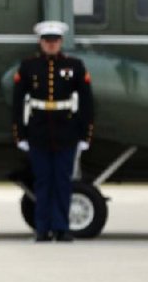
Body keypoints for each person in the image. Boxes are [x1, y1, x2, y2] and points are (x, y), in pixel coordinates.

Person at [12, 20, 94, 242]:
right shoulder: (28, 66)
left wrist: (85, 135)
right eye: (47, 41)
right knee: (42, 182)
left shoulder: (75, 65)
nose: (50, 44)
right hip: (38, 132)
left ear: (61, 42)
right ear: (41, 42)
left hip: (66, 132)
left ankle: (61, 228)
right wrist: (20, 134)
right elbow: (18, 103)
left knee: (63, 182)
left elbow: (86, 102)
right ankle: (42, 229)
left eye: (54, 41)